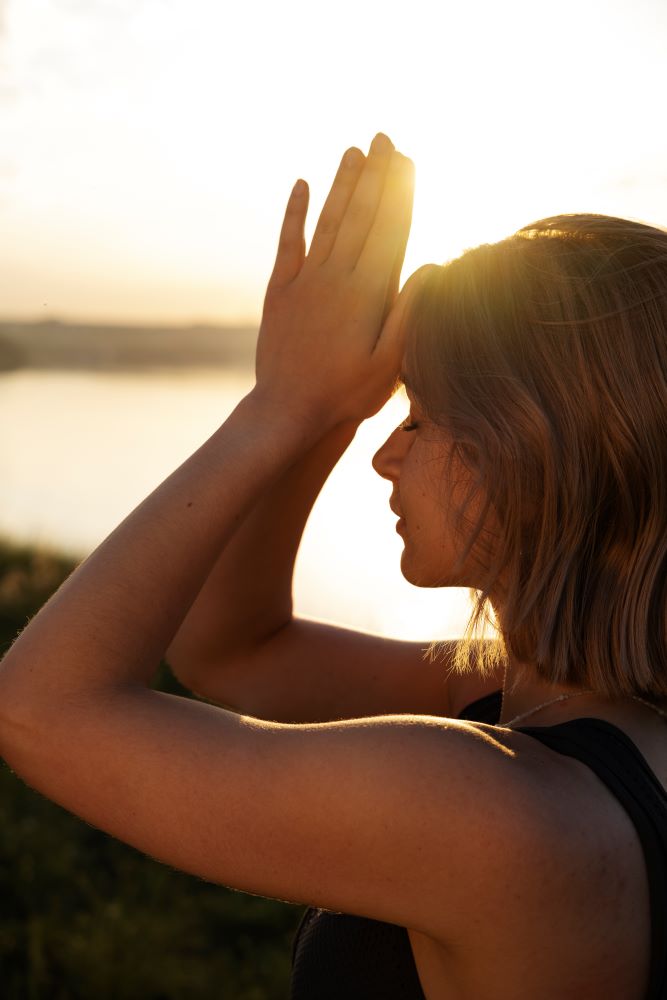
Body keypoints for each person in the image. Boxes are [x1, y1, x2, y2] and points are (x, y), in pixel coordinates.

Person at [0, 131, 666, 999]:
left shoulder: (489, 809)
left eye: (420, 416)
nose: (383, 455)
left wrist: (280, 405)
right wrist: (324, 415)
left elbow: (40, 710)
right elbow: (238, 652)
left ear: (535, 451)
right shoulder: (565, 711)